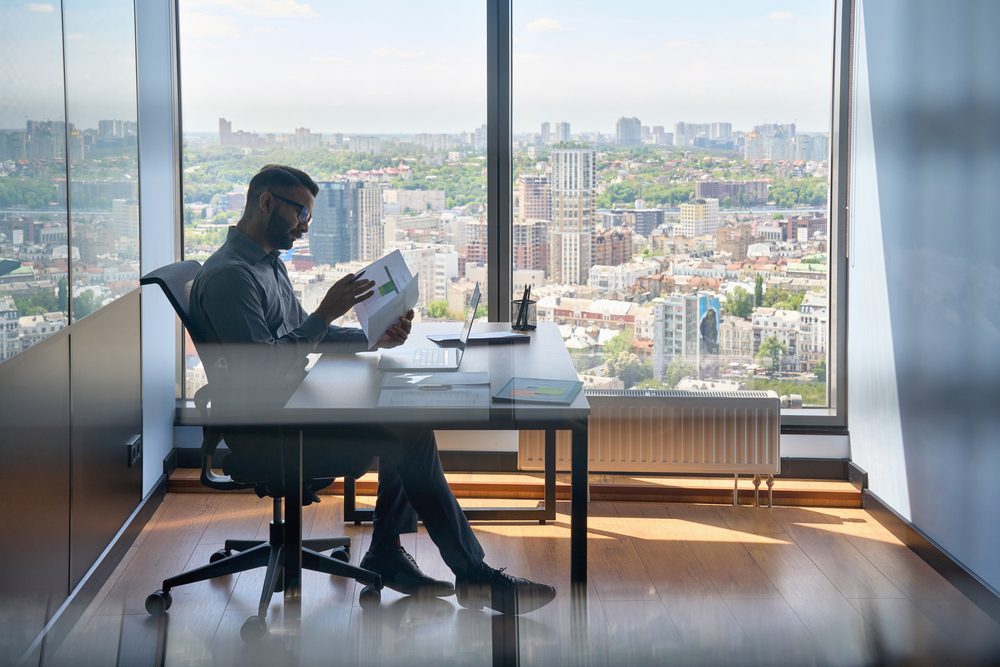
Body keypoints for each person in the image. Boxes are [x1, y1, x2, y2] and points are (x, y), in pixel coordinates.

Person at [189, 164, 555, 615]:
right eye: (301, 213)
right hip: (270, 428)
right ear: (267, 202)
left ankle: (392, 555)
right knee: (409, 431)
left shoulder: (265, 264)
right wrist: (325, 313)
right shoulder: (232, 277)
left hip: (293, 403)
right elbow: (264, 369)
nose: (305, 225)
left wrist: (370, 339)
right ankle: (471, 574)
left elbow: (298, 338)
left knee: (406, 420)